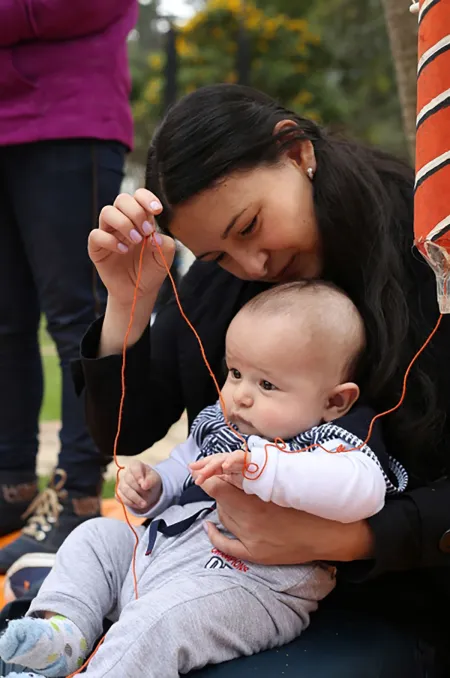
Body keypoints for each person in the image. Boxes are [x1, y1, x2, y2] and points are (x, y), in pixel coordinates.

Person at [10, 82, 447, 676]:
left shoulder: (432, 261)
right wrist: (127, 304)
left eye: (248, 227)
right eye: (216, 256)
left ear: (297, 153)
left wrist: (343, 541)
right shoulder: (226, 287)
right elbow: (126, 430)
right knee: (96, 585)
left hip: (393, 594)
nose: (253, 267)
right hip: (207, 568)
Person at [0, 282, 408, 677]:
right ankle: (61, 632)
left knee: (160, 621)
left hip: (251, 588)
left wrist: (266, 468)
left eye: (267, 384)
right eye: (235, 373)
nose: (242, 395)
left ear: (334, 401)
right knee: (96, 538)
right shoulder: (225, 424)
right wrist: (156, 484)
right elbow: (186, 464)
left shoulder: (329, 445)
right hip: (166, 556)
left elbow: (363, 492)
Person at [0, 0, 138, 573]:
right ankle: (10, 484)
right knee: (4, 323)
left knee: (78, 315)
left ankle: (78, 493)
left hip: (67, 116)